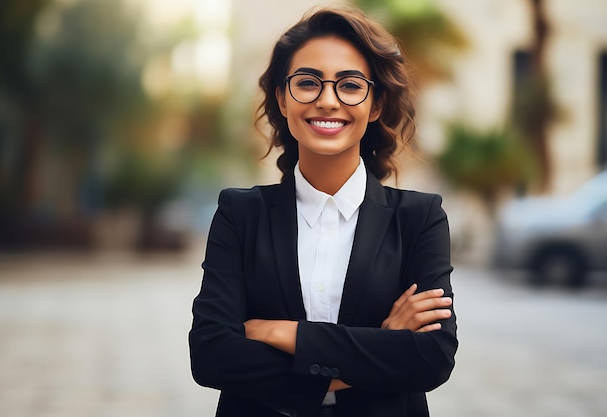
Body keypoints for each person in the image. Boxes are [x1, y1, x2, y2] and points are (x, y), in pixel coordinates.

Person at [189, 7, 457, 417]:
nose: (327, 101)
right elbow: (211, 355)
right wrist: (379, 347)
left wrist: (283, 333)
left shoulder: (420, 218)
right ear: (282, 98)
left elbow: (432, 356)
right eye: (308, 83)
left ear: (376, 103)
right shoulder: (239, 213)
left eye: (350, 85)